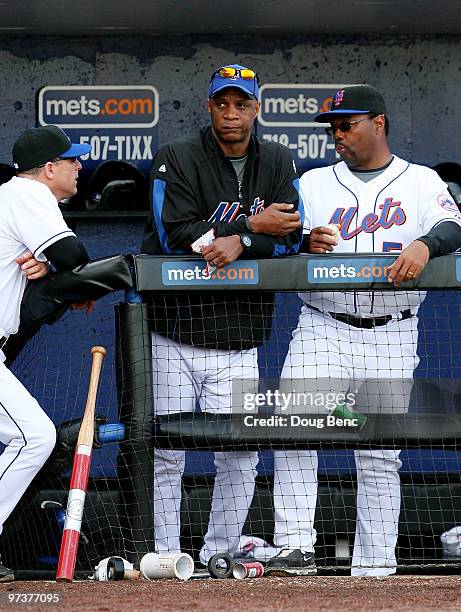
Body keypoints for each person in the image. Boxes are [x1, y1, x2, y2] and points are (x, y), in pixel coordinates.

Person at [266, 85, 461, 576]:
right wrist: (301, 242)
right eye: (332, 126)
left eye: (346, 124)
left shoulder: (420, 181)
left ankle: (375, 569)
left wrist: (425, 243)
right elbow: (281, 240)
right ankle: (294, 551)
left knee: (379, 453)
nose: (337, 135)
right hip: (323, 326)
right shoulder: (313, 183)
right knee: (295, 431)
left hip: (393, 333)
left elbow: (453, 225)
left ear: (378, 123)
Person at [141, 63, 303, 564]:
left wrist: (241, 240)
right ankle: (164, 557)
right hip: (175, 332)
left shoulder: (277, 160)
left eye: (241, 104)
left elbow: (293, 238)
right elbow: (177, 236)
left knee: (241, 452)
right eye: (222, 103)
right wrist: (255, 225)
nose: (231, 113)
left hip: (241, 338)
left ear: (257, 108)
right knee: (166, 454)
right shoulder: (178, 157)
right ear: (209, 106)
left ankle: (219, 554)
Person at [0, 125, 91, 580]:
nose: (80, 166)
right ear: (49, 168)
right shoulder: (27, 193)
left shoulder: (12, 197)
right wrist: (58, 262)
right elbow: (74, 254)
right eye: (72, 160)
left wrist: (49, 263)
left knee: (31, 436)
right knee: (35, 436)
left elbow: (57, 259)